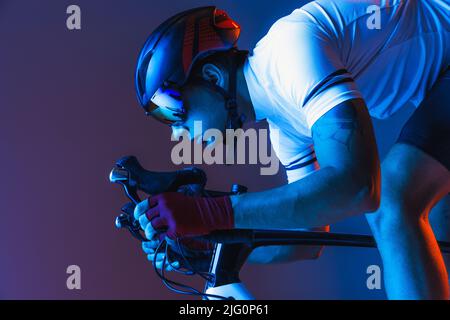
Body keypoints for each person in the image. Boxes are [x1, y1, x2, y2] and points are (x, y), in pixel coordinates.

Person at [132, 1, 450, 299]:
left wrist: (212, 213)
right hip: (440, 80)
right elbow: (307, 238)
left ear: (213, 75)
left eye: (174, 110)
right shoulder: (283, 126)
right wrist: (211, 245)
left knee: (395, 201)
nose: (177, 132)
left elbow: (359, 185)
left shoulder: (290, 49)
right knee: (433, 230)